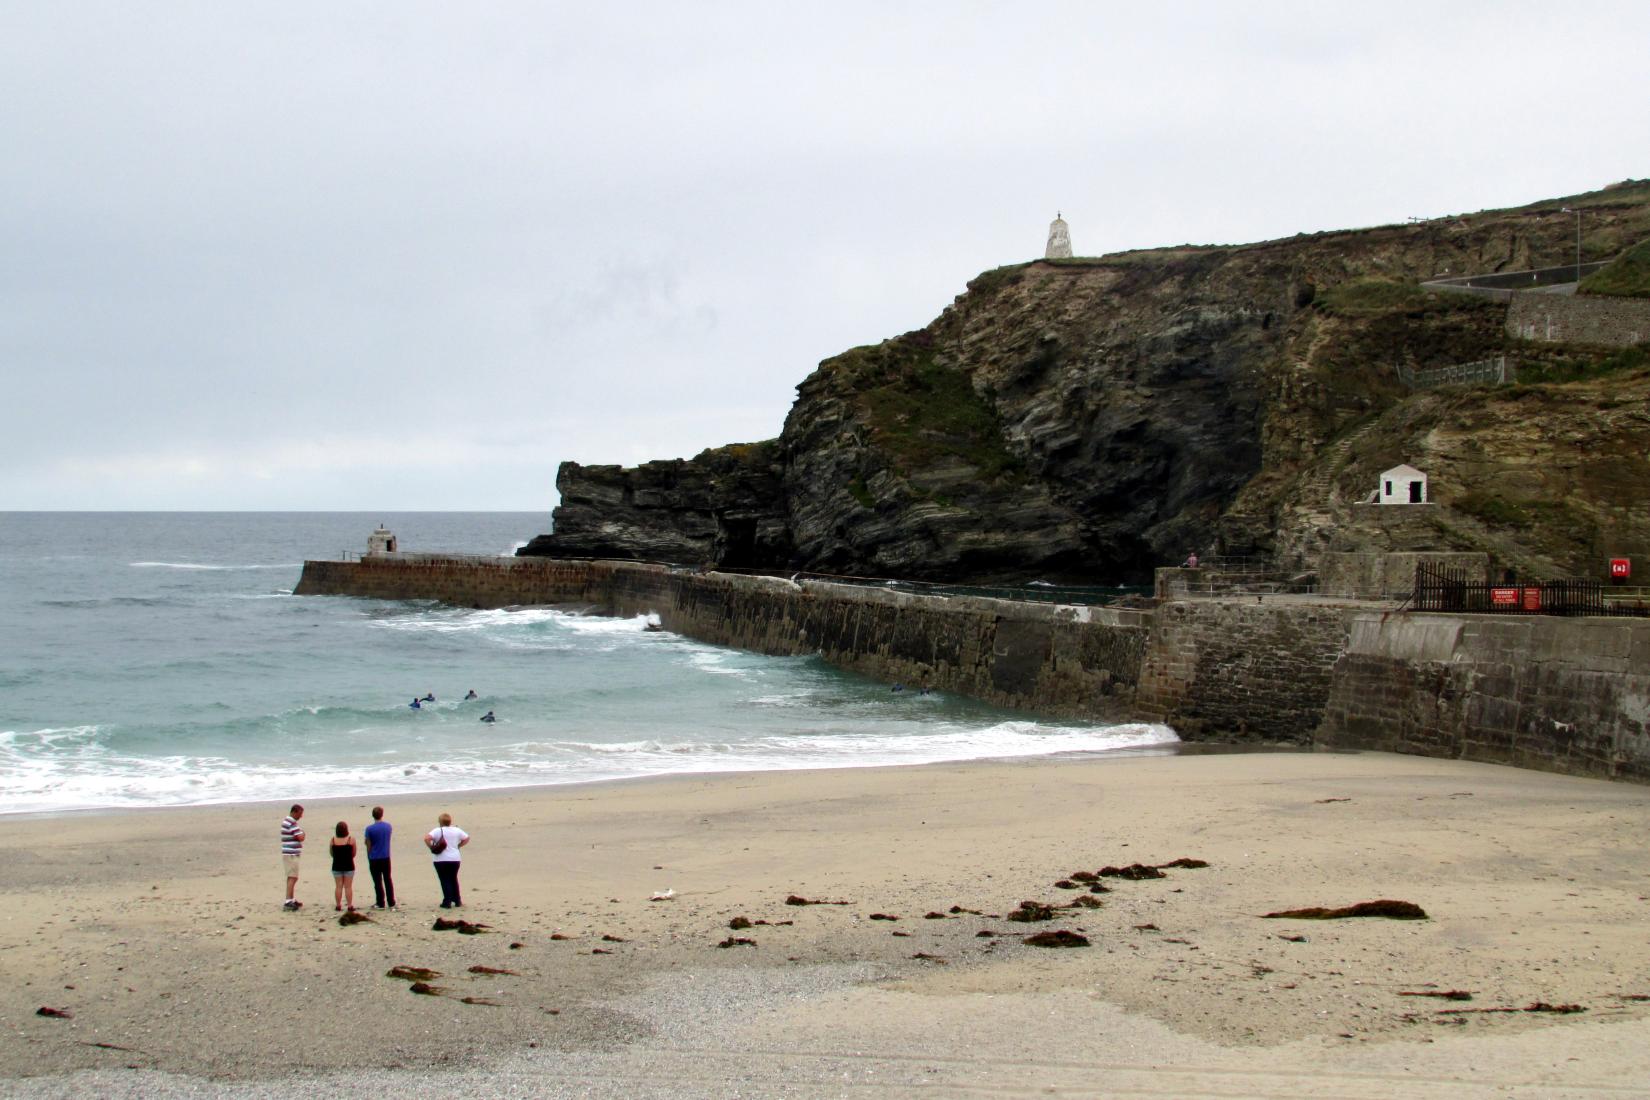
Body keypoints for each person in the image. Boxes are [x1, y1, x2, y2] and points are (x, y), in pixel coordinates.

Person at [425, 812, 470, 909]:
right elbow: (466, 838)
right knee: (453, 878)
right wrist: (458, 846)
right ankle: (457, 900)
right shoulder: (456, 830)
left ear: (440, 822)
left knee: (444, 879)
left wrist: (432, 847)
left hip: (441, 859)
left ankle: (447, 901)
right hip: (455, 858)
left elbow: (427, 838)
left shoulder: (438, 830)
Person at [364, 805, 395, 909]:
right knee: (388, 879)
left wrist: (368, 855)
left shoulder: (369, 829)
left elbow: (368, 844)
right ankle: (391, 901)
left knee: (377, 881)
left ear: (373, 816)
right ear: (382, 815)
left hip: (375, 857)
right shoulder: (388, 826)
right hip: (385, 856)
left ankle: (380, 902)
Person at [280, 804, 305, 910]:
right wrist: (303, 833)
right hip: (291, 853)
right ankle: (288, 900)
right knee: (292, 877)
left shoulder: (287, 821)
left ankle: (291, 898)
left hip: (290, 852)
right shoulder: (291, 822)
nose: (301, 816)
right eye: (300, 814)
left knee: (292, 876)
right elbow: (300, 837)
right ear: (295, 812)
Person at [330, 821, 357, 911]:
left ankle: (338, 905)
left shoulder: (333, 840)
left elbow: (331, 854)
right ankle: (349, 905)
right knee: (348, 886)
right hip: (349, 865)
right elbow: (354, 853)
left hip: (336, 865)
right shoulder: (351, 840)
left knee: (338, 886)